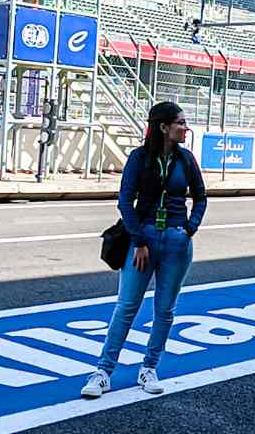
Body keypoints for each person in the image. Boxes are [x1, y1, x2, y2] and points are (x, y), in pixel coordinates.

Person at [81, 102, 207, 398]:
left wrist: (189, 228)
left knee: (165, 310)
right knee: (126, 306)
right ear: (163, 127)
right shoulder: (139, 158)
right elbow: (125, 201)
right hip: (144, 239)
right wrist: (138, 240)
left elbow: (200, 197)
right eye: (180, 122)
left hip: (177, 242)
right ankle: (103, 372)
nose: (185, 127)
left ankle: (149, 367)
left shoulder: (186, 159)